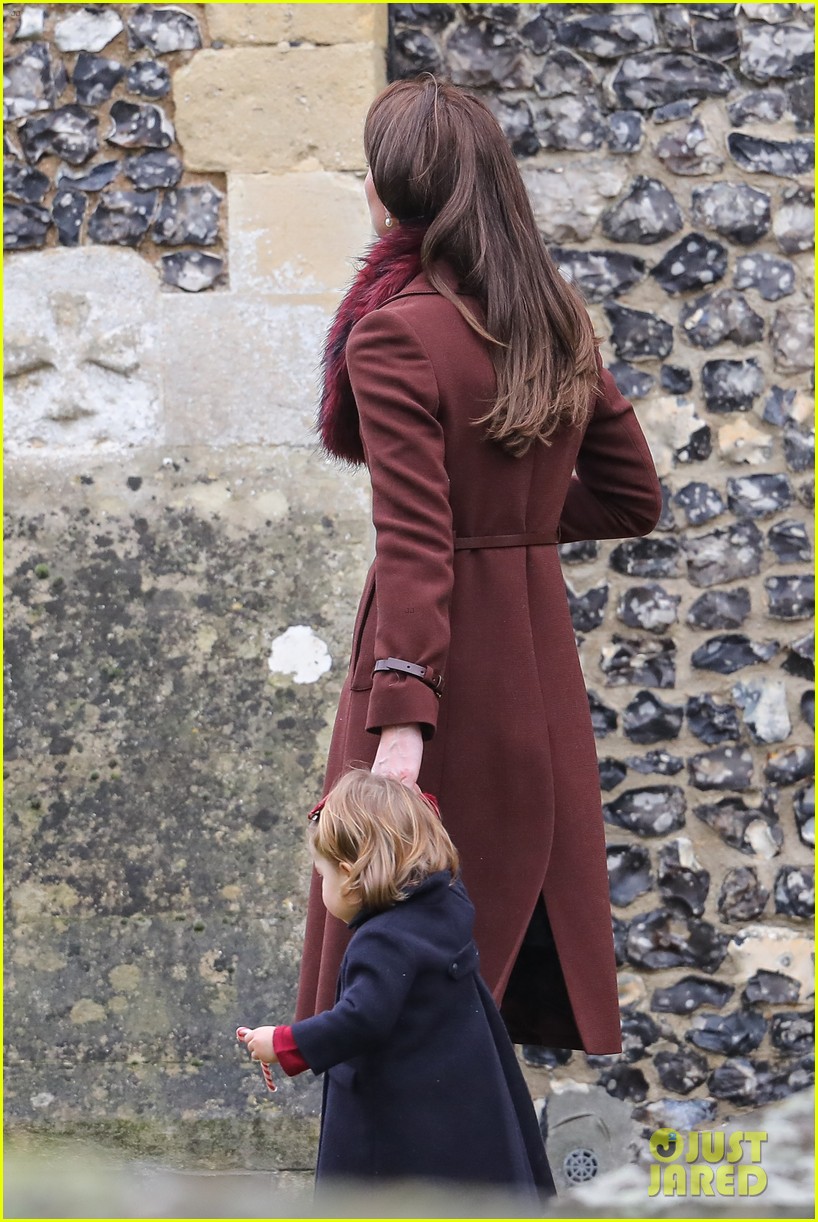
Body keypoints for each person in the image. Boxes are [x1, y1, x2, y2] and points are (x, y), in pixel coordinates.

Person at [297, 77, 663, 1054]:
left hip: (442, 681)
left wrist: (401, 724)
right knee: (486, 980)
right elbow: (634, 499)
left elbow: (415, 544)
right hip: (536, 675)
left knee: (390, 976)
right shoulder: (553, 319)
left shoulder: (391, 334)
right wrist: (520, 531)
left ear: (387, 197)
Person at [238, 769, 555, 1197]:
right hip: (459, 1109)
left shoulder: (381, 940)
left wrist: (283, 1043)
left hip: (401, 1132)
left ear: (350, 876)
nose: (322, 887)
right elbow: (423, 829)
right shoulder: (448, 904)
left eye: (323, 876)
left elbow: (361, 1019)